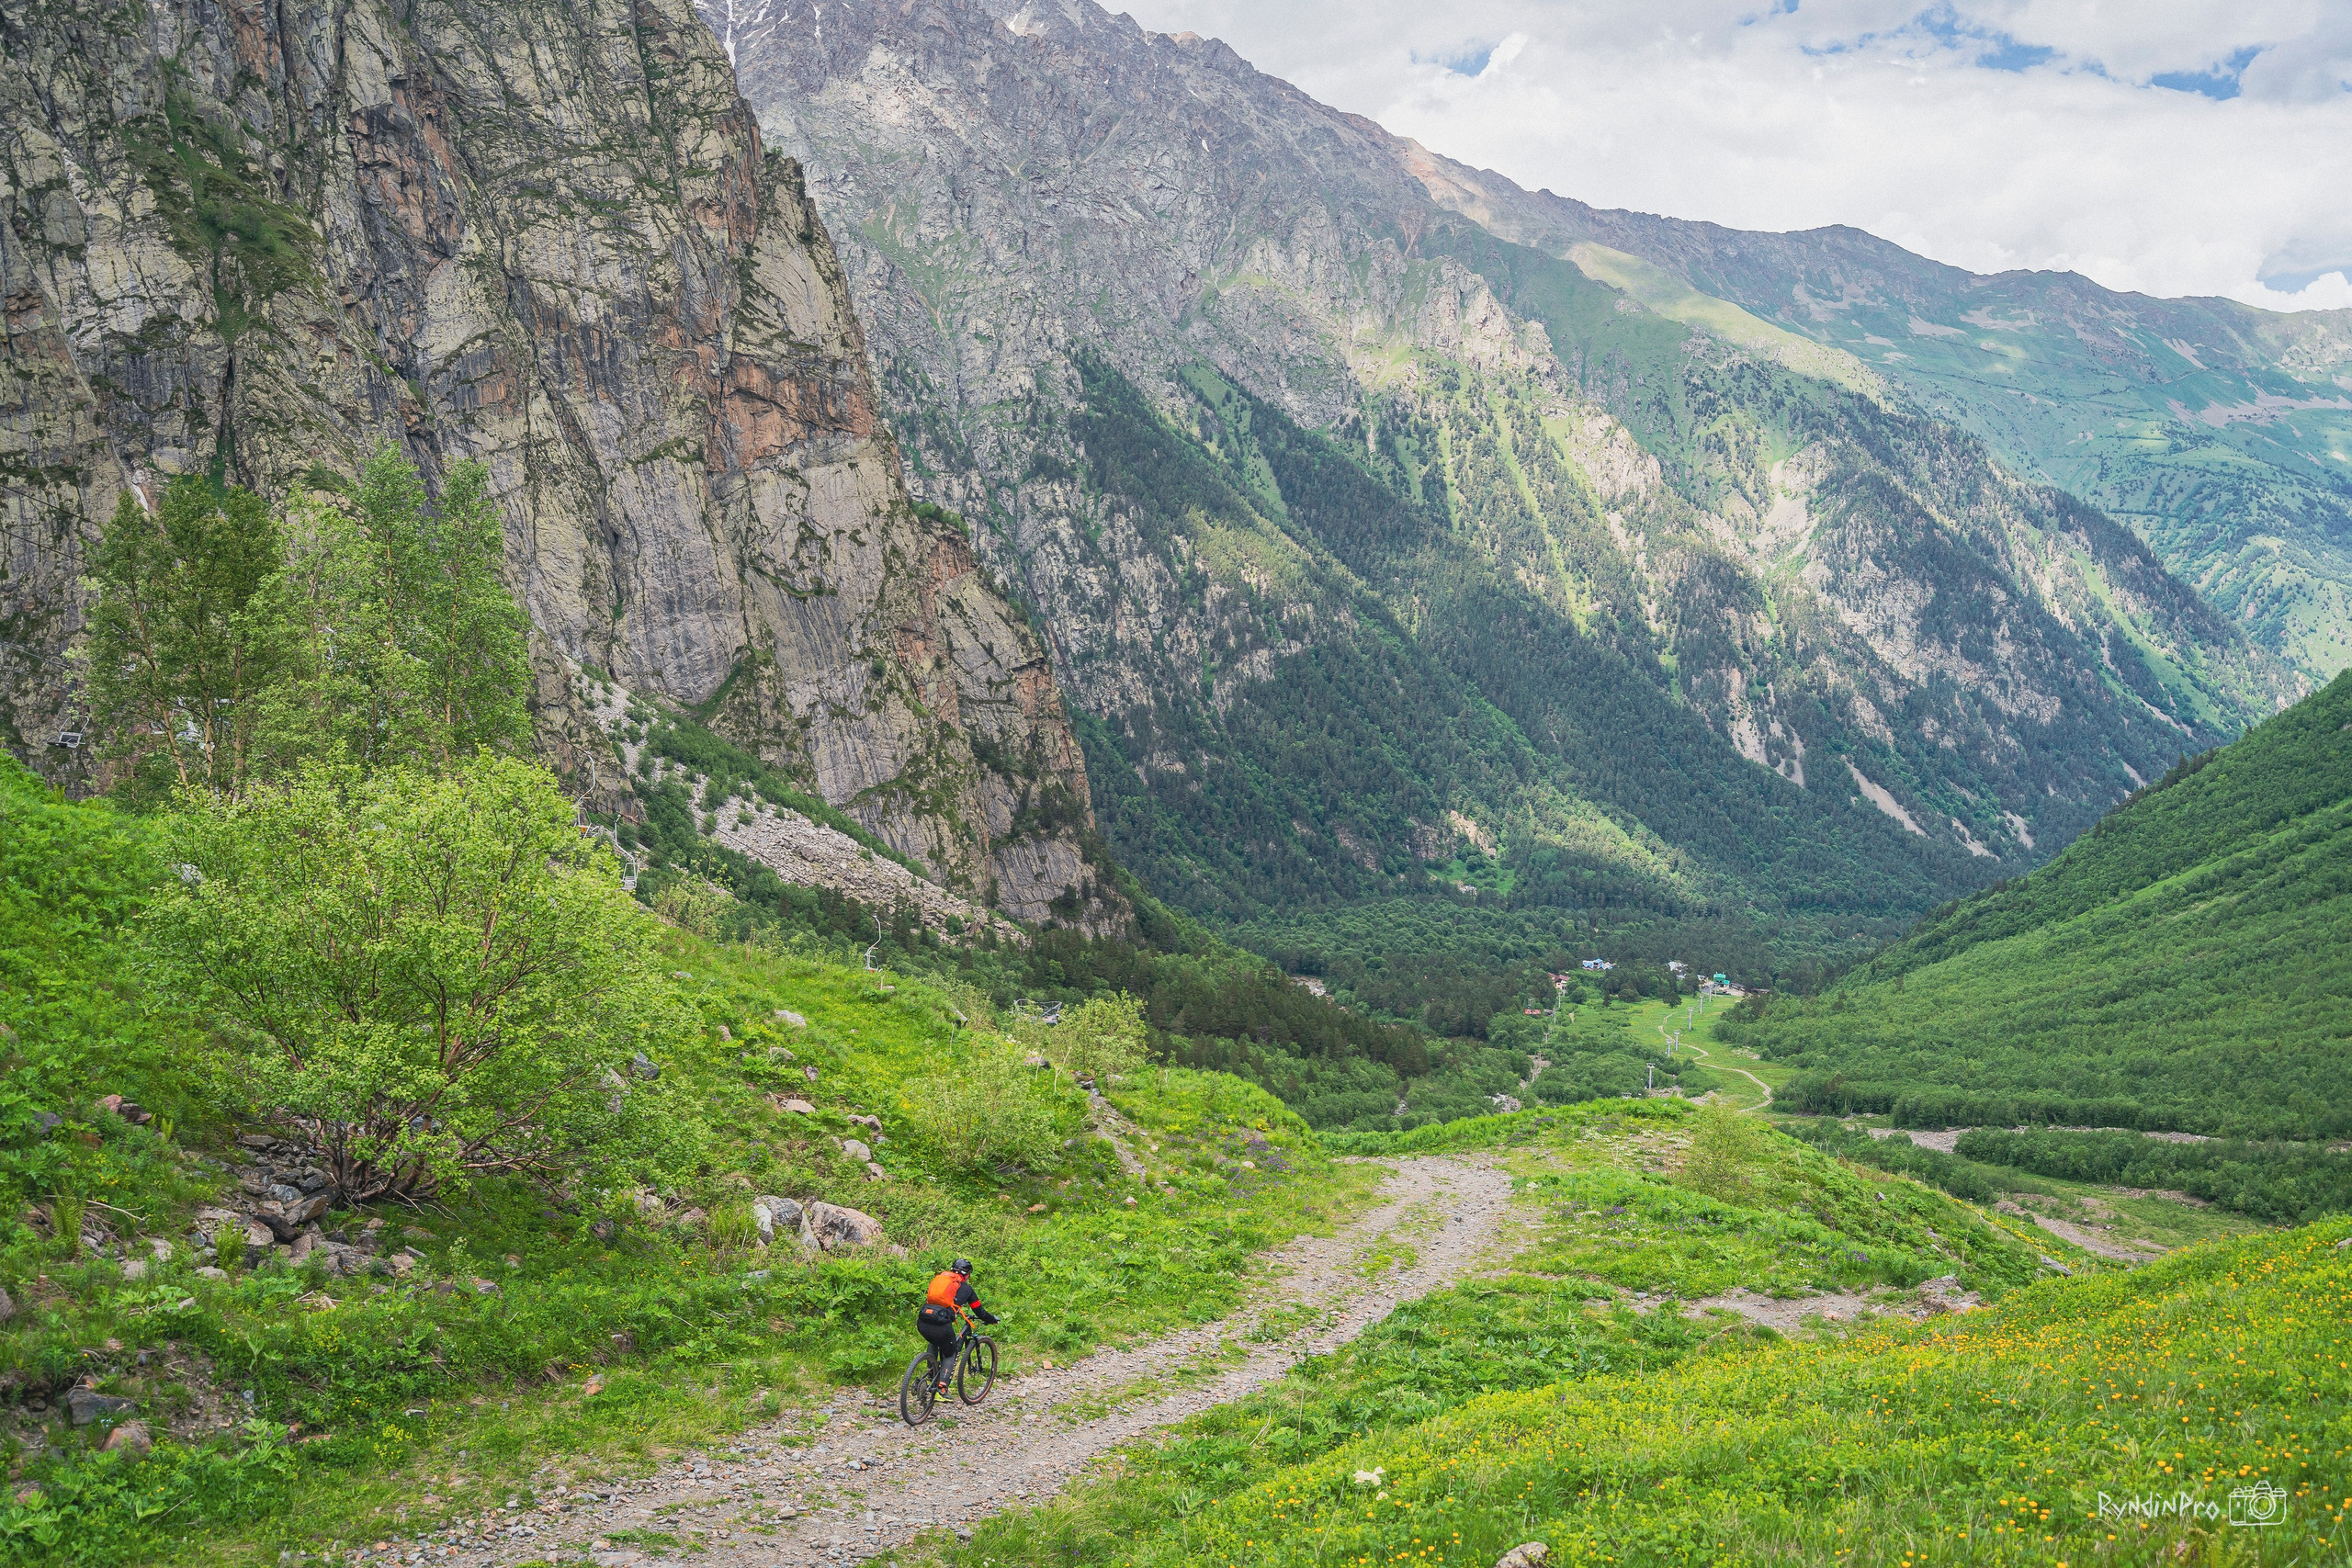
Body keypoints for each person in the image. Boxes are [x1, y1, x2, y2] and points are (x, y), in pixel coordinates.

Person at [916, 1258, 998, 1387]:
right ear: (967, 1275)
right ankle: (942, 1389)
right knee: (951, 1352)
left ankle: (931, 1373)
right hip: (941, 1324)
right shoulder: (967, 1289)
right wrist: (992, 1319)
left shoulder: (942, 1281)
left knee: (935, 1340)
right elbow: (979, 1311)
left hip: (923, 1320)